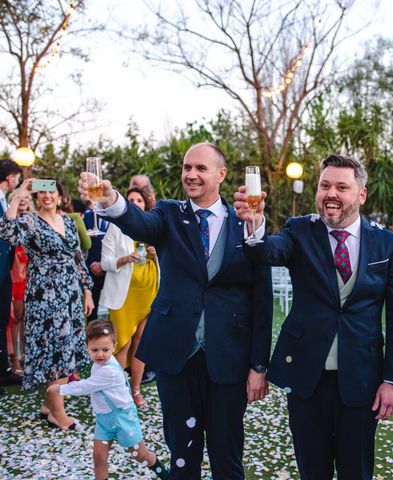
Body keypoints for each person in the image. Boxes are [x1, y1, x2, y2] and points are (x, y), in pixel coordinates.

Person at [79, 142, 273, 479]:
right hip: (175, 356)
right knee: (182, 454)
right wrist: (111, 200)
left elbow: (262, 298)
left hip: (228, 357)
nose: (191, 175)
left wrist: (258, 365)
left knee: (228, 456)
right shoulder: (168, 214)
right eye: (187, 168)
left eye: (201, 168)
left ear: (221, 174)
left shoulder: (247, 223)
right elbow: (137, 222)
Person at [234, 154, 393, 480]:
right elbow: (267, 251)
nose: (331, 193)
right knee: (312, 470)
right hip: (306, 378)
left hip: (362, 378)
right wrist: (255, 223)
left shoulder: (385, 243)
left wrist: (392, 379)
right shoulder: (300, 231)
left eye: (341, 187)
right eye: (324, 185)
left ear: (361, 194)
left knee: (355, 471)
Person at [0, 179, 94, 429]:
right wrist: (20, 192)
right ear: (36, 197)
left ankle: (48, 404)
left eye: (50, 191)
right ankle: (57, 413)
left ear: (61, 196)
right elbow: (7, 232)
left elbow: (77, 258)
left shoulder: (70, 223)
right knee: (57, 352)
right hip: (45, 297)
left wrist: (87, 291)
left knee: (66, 347)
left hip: (70, 294)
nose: (46, 196)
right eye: (40, 192)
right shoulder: (30, 222)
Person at [48, 319, 169, 479]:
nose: (100, 354)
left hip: (122, 418)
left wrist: (60, 388)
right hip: (104, 420)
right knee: (99, 457)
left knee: (141, 455)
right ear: (87, 347)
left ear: (114, 345)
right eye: (94, 349)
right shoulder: (98, 364)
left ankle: (167, 476)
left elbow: (86, 386)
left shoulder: (109, 371)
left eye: (105, 349)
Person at [100, 187, 159, 408]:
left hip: (149, 294)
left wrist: (157, 253)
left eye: (139, 200)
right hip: (125, 296)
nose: (135, 203)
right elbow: (104, 262)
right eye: (131, 199)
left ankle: (135, 391)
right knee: (122, 344)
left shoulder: (154, 229)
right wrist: (124, 259)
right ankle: (116, 394)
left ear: (145, 204)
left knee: (141, 345)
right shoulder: (115, 229)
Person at [0, 159, 23, 392]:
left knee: (2, 320)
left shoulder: (4, 199)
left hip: (4, 267)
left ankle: (4, 370)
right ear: (10, 177)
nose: (18, 181)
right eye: (17, 177)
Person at [7, 192, 32, 375]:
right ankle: (14, 358)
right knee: (16, 317)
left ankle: (27, 357)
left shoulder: (33, 220)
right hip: (15, 273)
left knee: (28, 318)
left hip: (30, 273)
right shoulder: (9, 221)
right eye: (19, 198)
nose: (23, 200)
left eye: (26, 198)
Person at [84, 200, 109, 321]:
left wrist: (104, 265)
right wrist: (91, 263)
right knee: (91, 313)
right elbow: (82, 244)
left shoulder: (119, 218)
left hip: (112, 270)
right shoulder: (88, 216)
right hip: (92, 270)